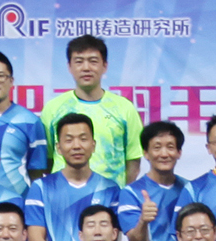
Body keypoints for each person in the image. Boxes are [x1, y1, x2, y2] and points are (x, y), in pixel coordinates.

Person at [38, 35, 141, 183]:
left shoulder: (124, 108)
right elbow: (47, 159)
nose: (86, 68)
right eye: (79, 61)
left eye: (93, 61)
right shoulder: (53, 108)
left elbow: (133, 160)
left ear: (104, 66)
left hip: (111, 194)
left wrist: (123, 193)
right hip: (64, 193)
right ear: (69, 66)